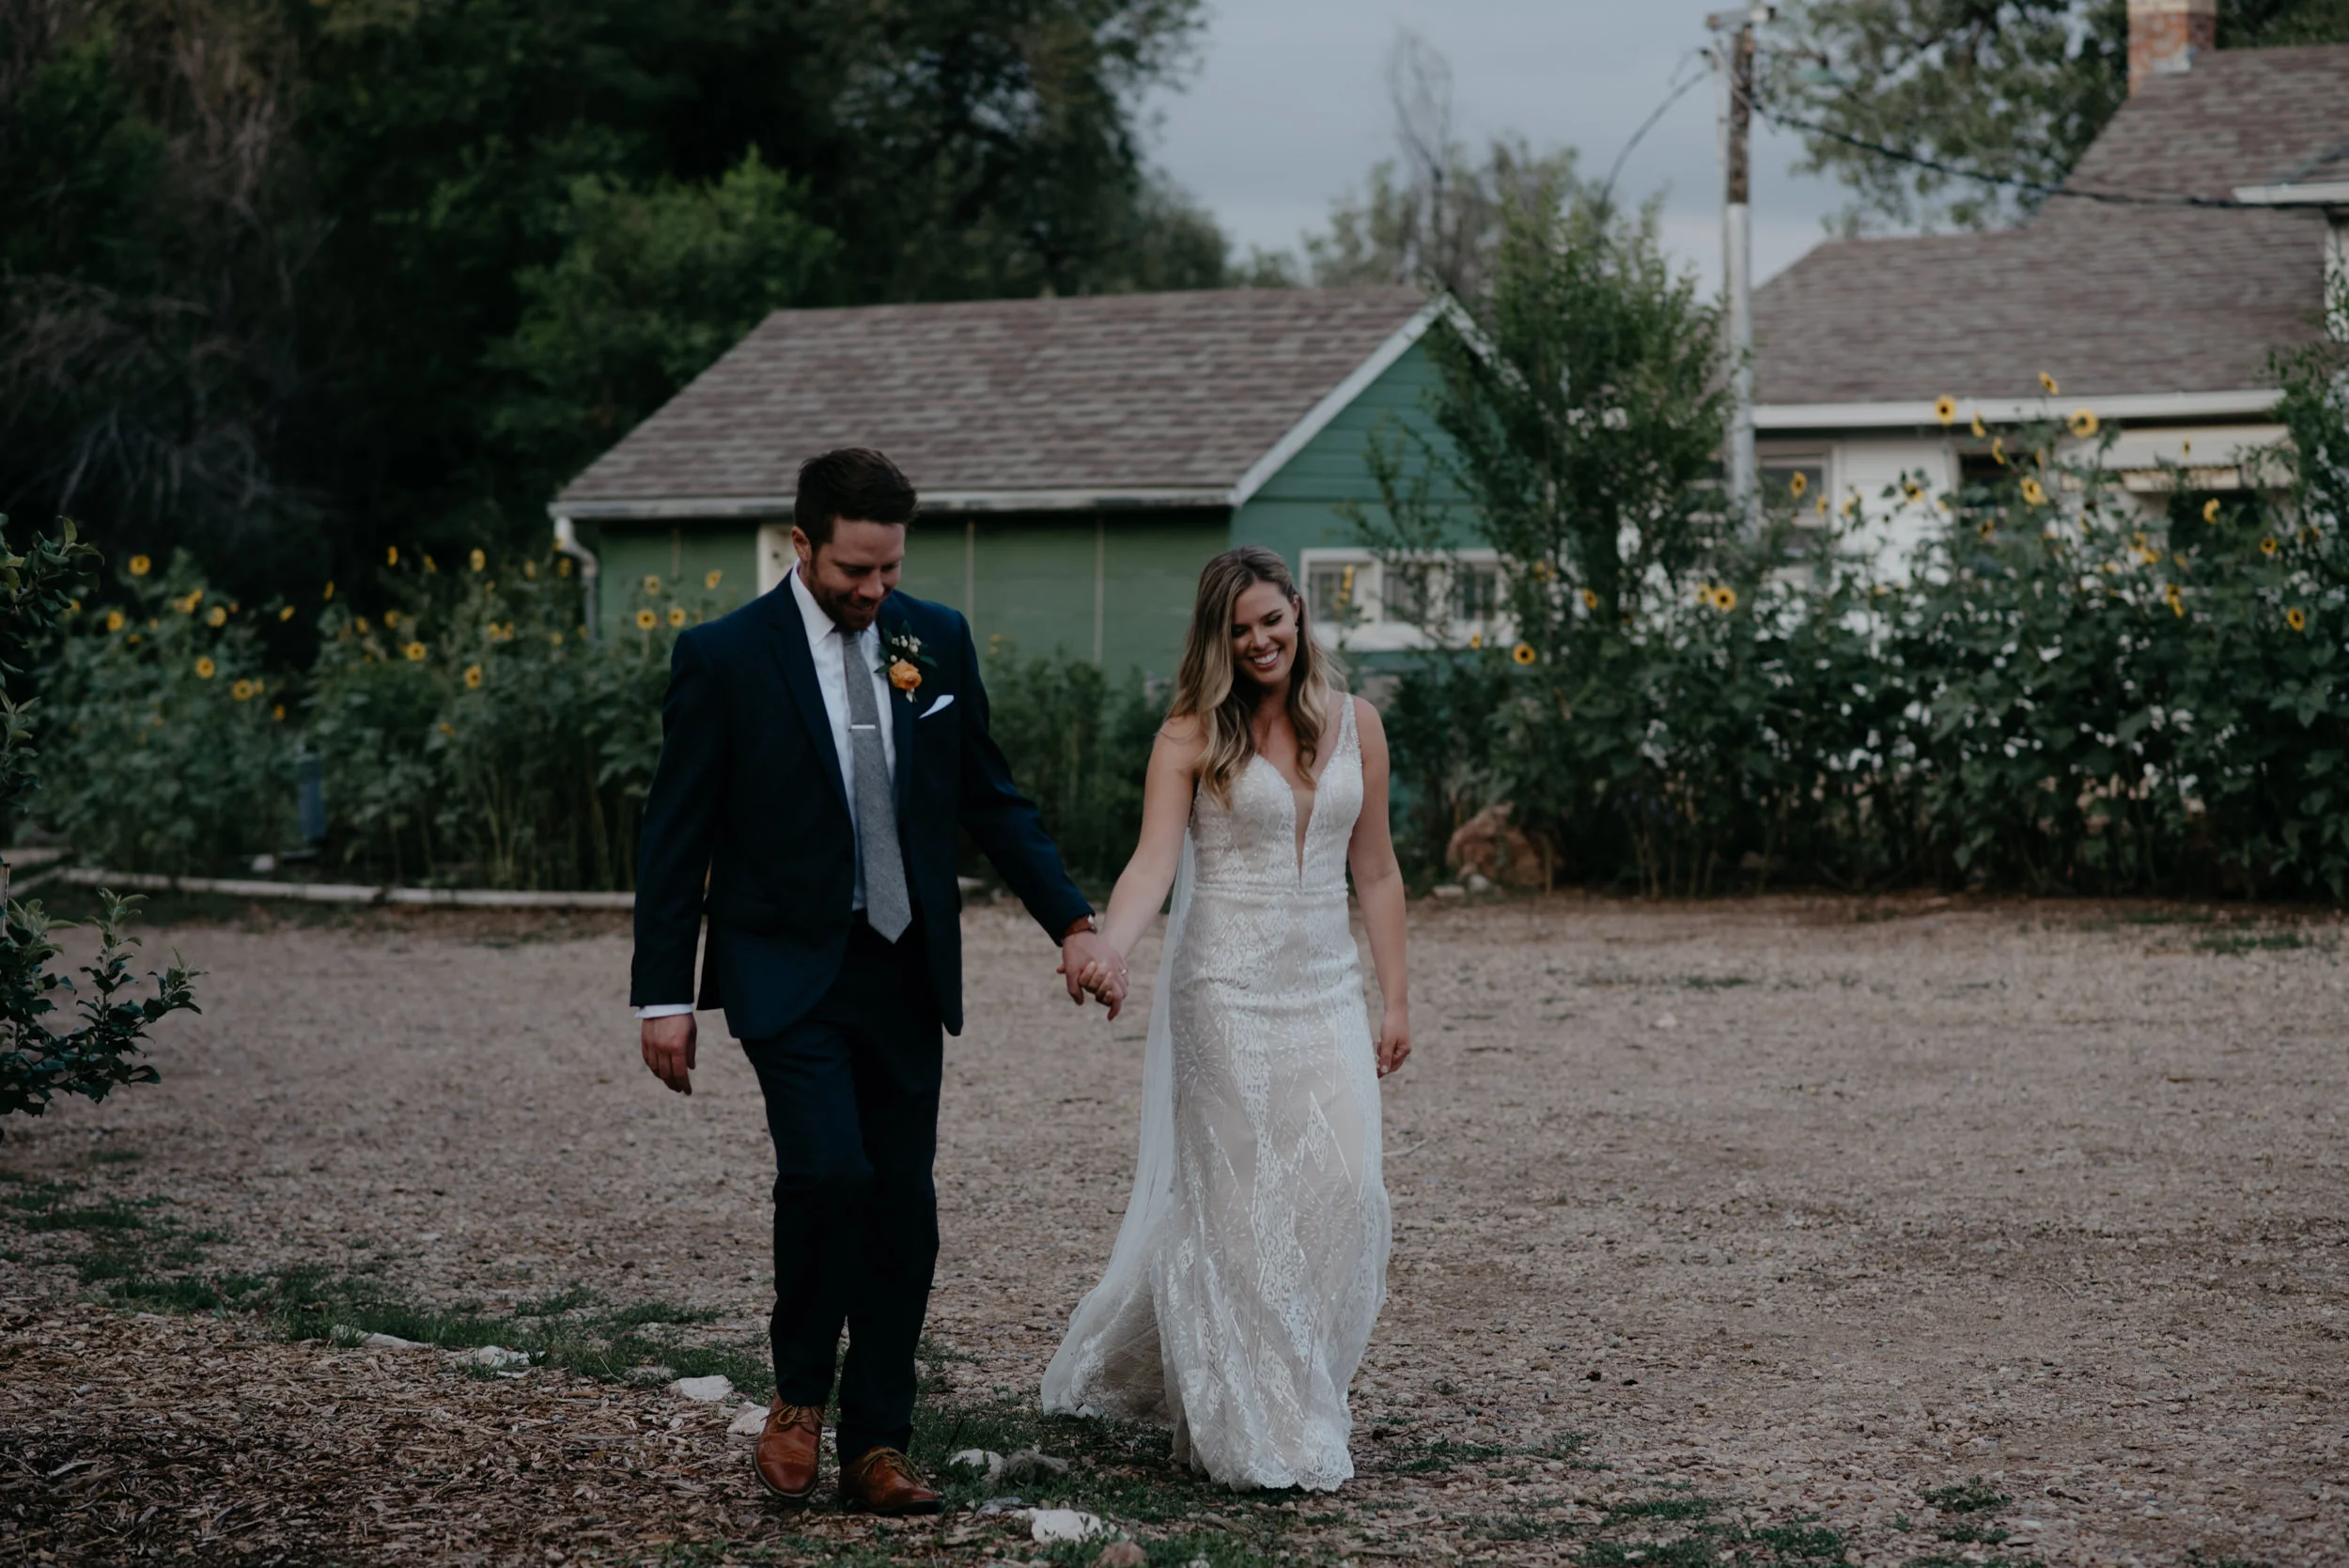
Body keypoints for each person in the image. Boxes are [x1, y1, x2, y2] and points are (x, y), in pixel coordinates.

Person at [630, 448, 1120, 1515]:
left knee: (903, 1205)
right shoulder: (722, 657)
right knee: (828, 1174)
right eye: (855, 569)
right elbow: (675, 835)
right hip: (783, 966)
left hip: (903, 970)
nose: (874, 590)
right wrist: (662, 994)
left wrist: (1075, 923)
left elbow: (991, 799)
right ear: (799, 544)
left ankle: (879, 1444)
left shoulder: (930, 639)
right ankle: (800, 1397)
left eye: (889, 569)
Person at [1043, 544, 1410, 1491]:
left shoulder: (1358, 725)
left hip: (1326, 990)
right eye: (1238, 630)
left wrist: (1395, 998)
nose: (1259, 641)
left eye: (1271, 621)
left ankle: (1297, 1377)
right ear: (1218, 639)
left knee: (1346, 1193)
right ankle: (1251, 1414)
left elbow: (1373, 868)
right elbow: (1150, 867)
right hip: (1224, 994)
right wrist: (1109, 945)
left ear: (1297, 611)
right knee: (1240, 1214)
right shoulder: (1190, 735)